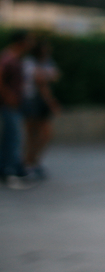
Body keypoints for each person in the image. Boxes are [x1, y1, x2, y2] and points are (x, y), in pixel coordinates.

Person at [1, 31, 35, 189]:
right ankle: (10, 172)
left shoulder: (16, 58)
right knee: (13, 137)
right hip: (9, 105)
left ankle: (13, 169)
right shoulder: (8, 58)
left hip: (15, 104)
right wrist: (8, 96)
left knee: (13, 137)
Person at [22, 39, 60, 180]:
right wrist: (51, 102)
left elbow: (54, 75)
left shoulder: (46, 61)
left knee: (43, 135)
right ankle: (29, 162)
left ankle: (32, 161)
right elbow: (41, 80)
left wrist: (45, 75)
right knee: (33, 134)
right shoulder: (29, 62)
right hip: (32, 100)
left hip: (39, 102)